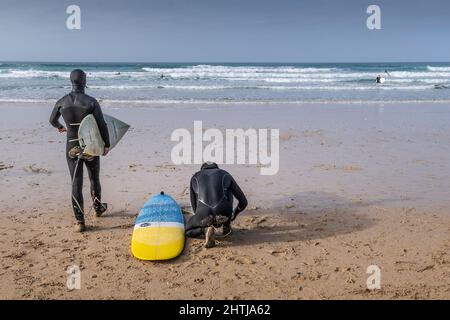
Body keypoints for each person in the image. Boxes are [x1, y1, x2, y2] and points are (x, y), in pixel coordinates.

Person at [49, 69, 110, 232]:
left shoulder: (62, 101)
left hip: (71, 146)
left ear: (71, 81)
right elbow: (102, 124)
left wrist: (61, 127)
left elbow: (52, 120)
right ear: (84, 82)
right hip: (90, 146)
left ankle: (79, 221)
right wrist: (107, 144)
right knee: (94, 178)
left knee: (76, 182)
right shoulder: (91, 102)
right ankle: (98, 209)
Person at [185, 162, 248, 248]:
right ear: (217, 168)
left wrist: (200, 219)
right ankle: (226, 225)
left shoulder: (195, 177)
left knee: (187, 231)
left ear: (202, 169)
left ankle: (205, 230)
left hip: (204, 217)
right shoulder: (225, 174)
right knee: (227, 190)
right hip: (224, 214)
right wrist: (234, 214)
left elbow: (195, 208)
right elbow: (243, 202)